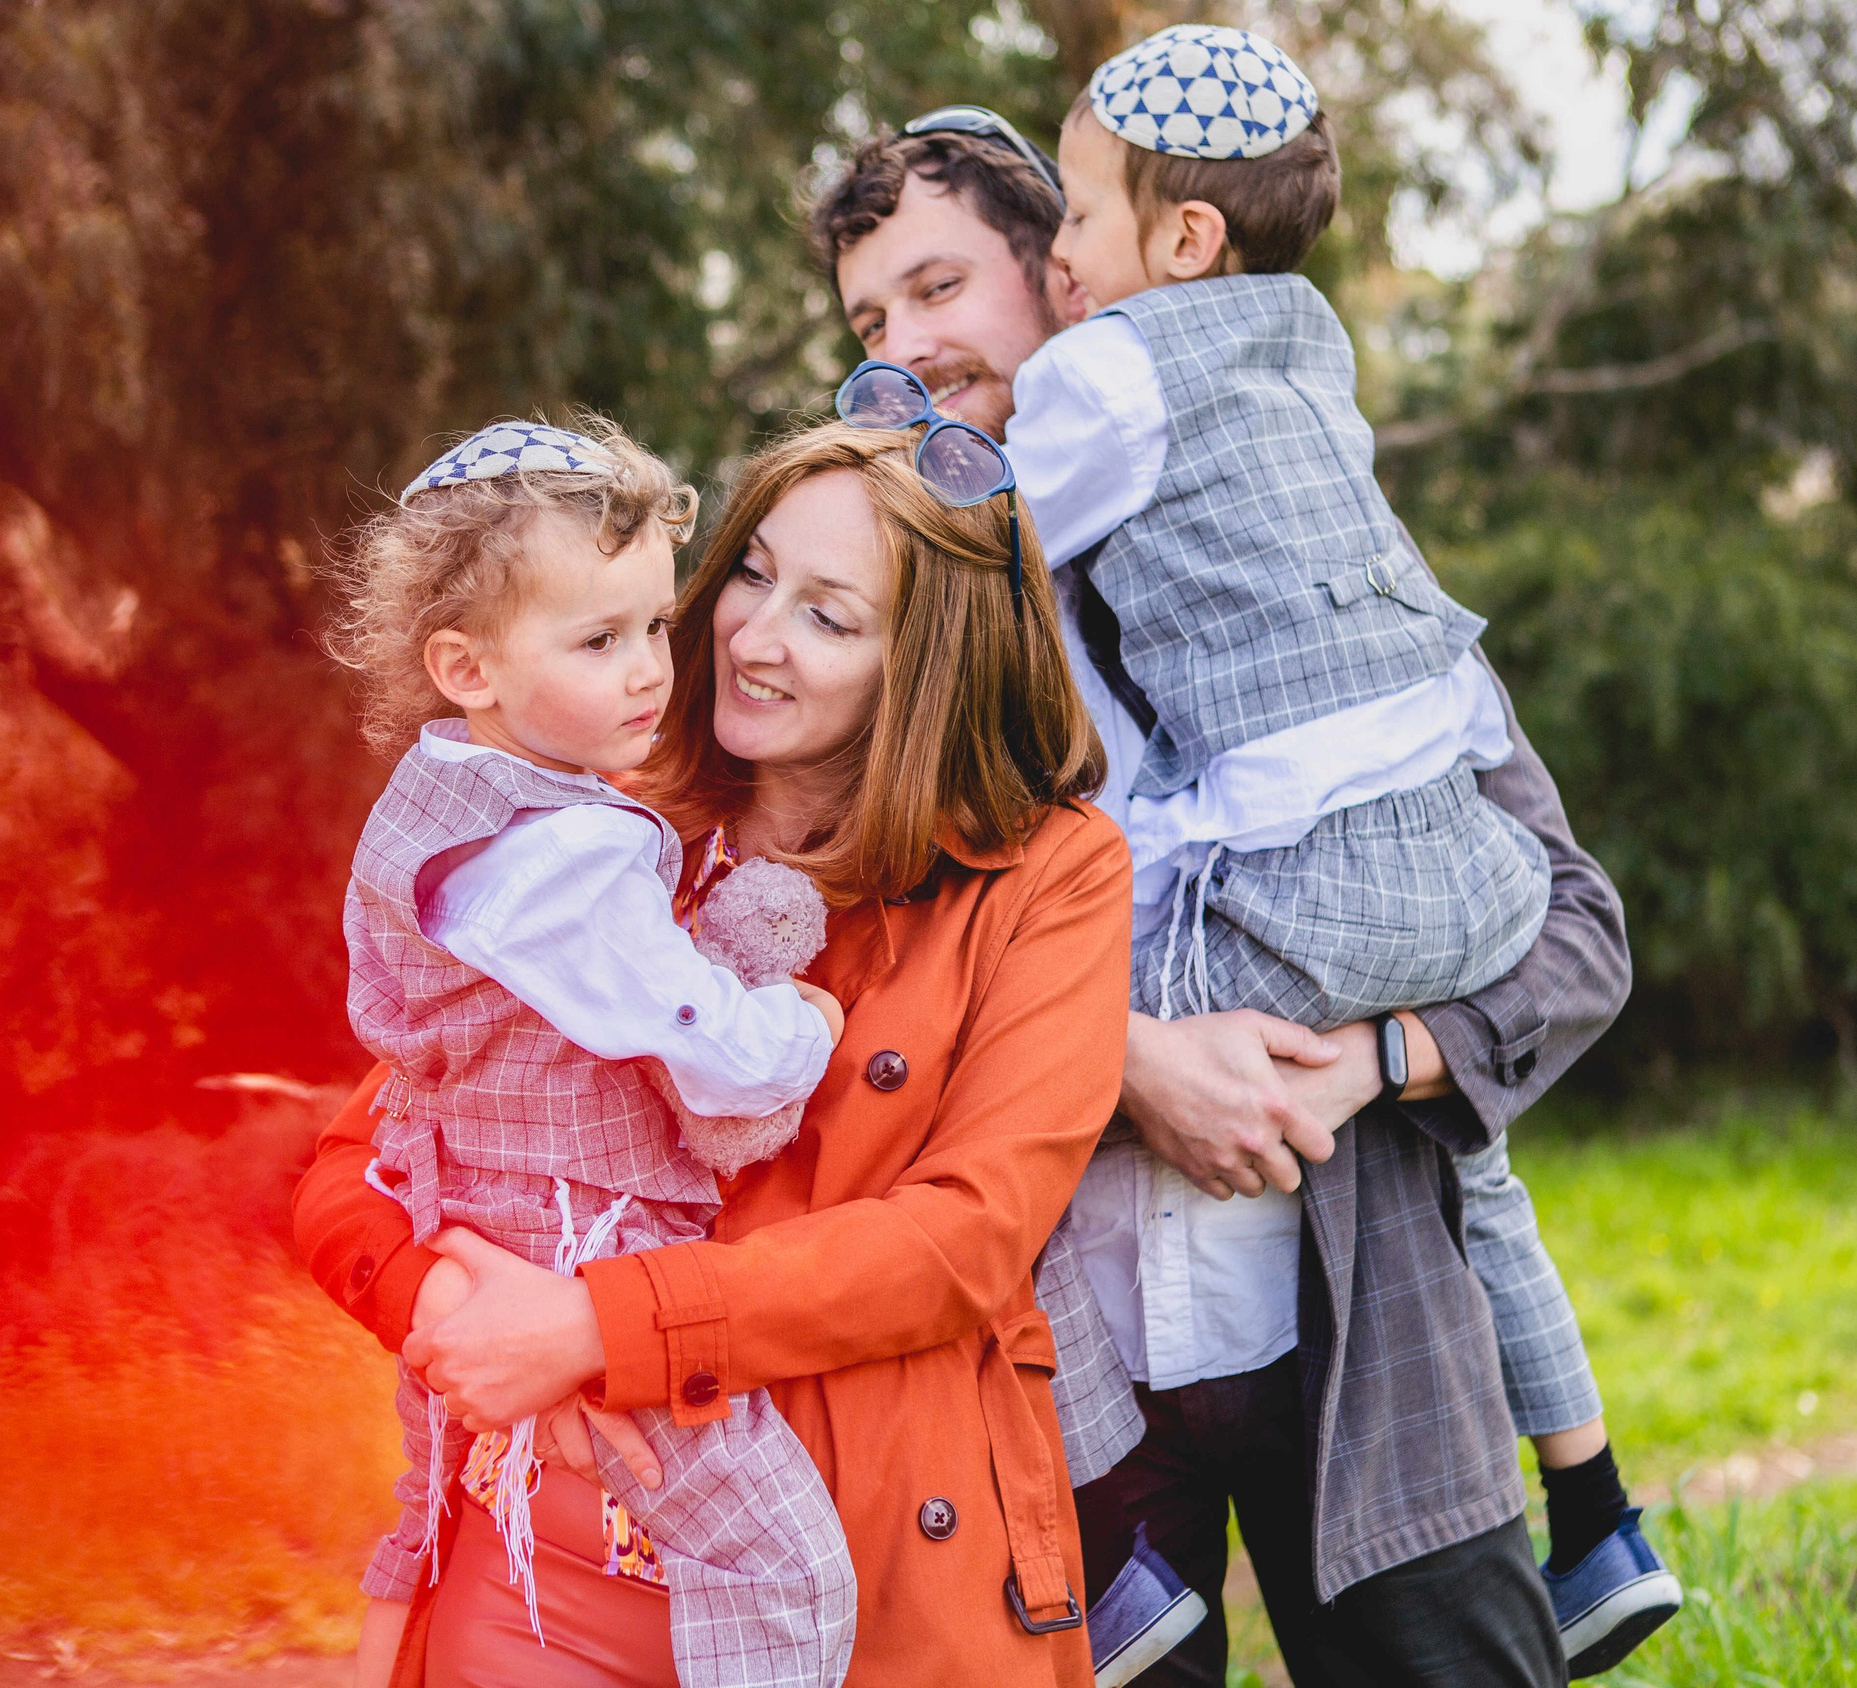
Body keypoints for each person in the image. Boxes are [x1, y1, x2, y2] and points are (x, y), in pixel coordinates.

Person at [812, 90, 1658, 1688]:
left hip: (1373, 1323)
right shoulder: (882, 628)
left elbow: (1572, 926)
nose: (909, 341)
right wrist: (1123, 1064)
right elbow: (845, 972)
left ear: (1071, 275)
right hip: (1065, 1382)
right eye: (869, 316)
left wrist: (1376, 1060)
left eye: (941, 288)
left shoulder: (1285, 537)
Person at [296, 417, 1136, 1688]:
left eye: (827, 615)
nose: (747, 634)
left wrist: (598, 1324)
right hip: (548, 1561)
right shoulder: (588, 819)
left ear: (926, 664)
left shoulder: (1043, 875)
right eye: (750, 572)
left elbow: (968, 1233)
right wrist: (459, 1312)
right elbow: (362, 1152)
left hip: (856, 1566)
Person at [325, 417, 857, 1688]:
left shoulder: (456, 797)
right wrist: (804, 1030)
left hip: (493, 1219)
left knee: (512, 1524)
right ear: (464, 666)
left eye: (656, 627)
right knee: (784, 1569)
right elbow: (690, 1032)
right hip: (591, 1248)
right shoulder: (559, 856)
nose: (649, 675)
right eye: (597, 640)